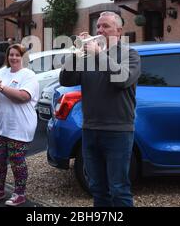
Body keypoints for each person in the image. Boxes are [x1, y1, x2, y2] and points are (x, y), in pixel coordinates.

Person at [59, 11, 141, 207]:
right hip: (90, 129)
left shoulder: (130, 54)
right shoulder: (87, 57)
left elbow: (122, 80)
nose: (100, 30)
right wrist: (75, 54)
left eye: (106, 26)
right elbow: (66, 80)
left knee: (119, 188)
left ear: (119, 31)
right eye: (98, 26)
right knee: (97, 188)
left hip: (117, 131)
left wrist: (100, 54)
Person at [0, 44, 39, 206]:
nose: (13, 58)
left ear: (23, 58)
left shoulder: (29, 76)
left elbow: (23, 97)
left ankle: (19, 193)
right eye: (11, 54)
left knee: (16, 160)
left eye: (17, 55)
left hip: (20, 126)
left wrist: (0, 87)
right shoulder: (1, 73)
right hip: (1, 125)